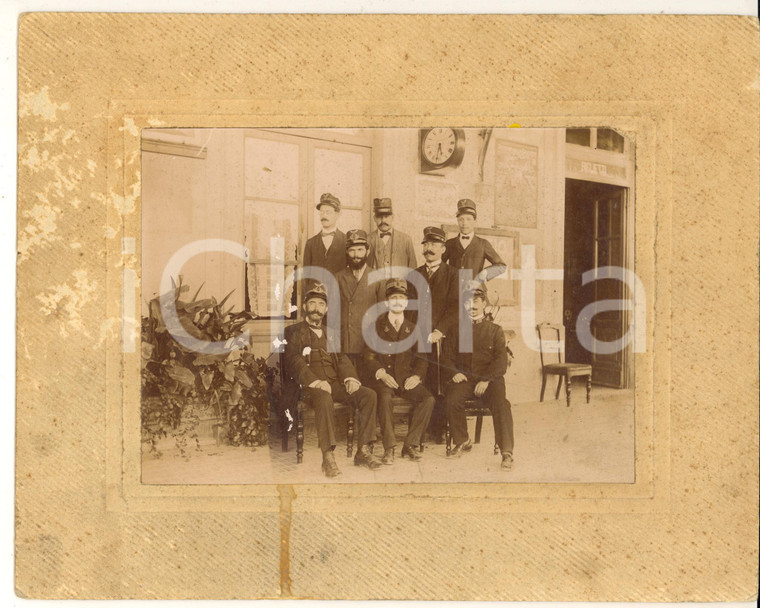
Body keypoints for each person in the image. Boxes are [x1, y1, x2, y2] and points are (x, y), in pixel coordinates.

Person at [283, 283, 382, 477]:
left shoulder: (332, 333)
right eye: (312, 303)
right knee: (324, 398)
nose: (316, 308)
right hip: (308, 387)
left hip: (334, 383)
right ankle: (327, 457)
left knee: (368, 395)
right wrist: (316, 381)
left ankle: (363, 450)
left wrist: (351, 378)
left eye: (321, 304)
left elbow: (342, 360)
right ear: (304, 306)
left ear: (326, 309)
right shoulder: (293, 331)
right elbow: (293, 361)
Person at [440, 282, 515, 470]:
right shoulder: (455, 329)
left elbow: (500, 361)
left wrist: (486, 379)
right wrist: (454, 373)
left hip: (490, 381)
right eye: (468, 302)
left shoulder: (495, 330)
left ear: (484, 303)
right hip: (464, 379)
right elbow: (446, 356)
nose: (472, 306)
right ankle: (463, 440)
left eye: (476, 301)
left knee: (501, 404)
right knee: (451, 400)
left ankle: (507, 452)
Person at [363, 278, 434, 465]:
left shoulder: (414, 328)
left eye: (401, 298)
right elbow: (368, 357)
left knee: (428, 399)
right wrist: (381, 373)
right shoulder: (375, 326)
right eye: (393, 297)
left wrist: (417, 377)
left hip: (406, 380)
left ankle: (410, 444)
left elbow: (422, 358)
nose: (397, 301)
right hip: (384, 380)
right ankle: (389, 448)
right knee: (384, 398)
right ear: (387, 302)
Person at [406, 226, 460, 442]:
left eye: (434, 245)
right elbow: (409, 307)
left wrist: (440, 330)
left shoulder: (453, 274)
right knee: (421, 380)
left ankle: (438, 429)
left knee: (440, 382)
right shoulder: (414, 275)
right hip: (418, 339)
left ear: (443, 248)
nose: (429, 249)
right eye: (426, 244)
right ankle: (419, 429)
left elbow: (455, 307)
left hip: (441, 340)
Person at [335, 229, 385, 366]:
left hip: (369, 343)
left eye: (360, 250)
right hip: (346, 341)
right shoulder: (338, 277)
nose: (356, 255)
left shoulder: (378, 277)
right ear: (346, 252)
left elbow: (383, 313)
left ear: (367, 252)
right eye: (351, 250)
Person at [443, 199, 507, 283]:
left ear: (475, 221)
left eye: (468, 219)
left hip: (476, 291)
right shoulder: (449, 243)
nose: (464, 223)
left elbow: (501, 266)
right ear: (457, 221)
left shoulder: (483, 244)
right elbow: (438, 265)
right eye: (461, 220)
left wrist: (485, 273)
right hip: (454, 292)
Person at [366, 197, 417, 277]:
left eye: (386, 217)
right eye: (379, 217)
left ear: (392, 217)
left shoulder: (406, 240)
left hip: (400, 288)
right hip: (375, 288)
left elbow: (413, 270)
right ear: (374, 219)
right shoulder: (367, 240)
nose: (383, 221)